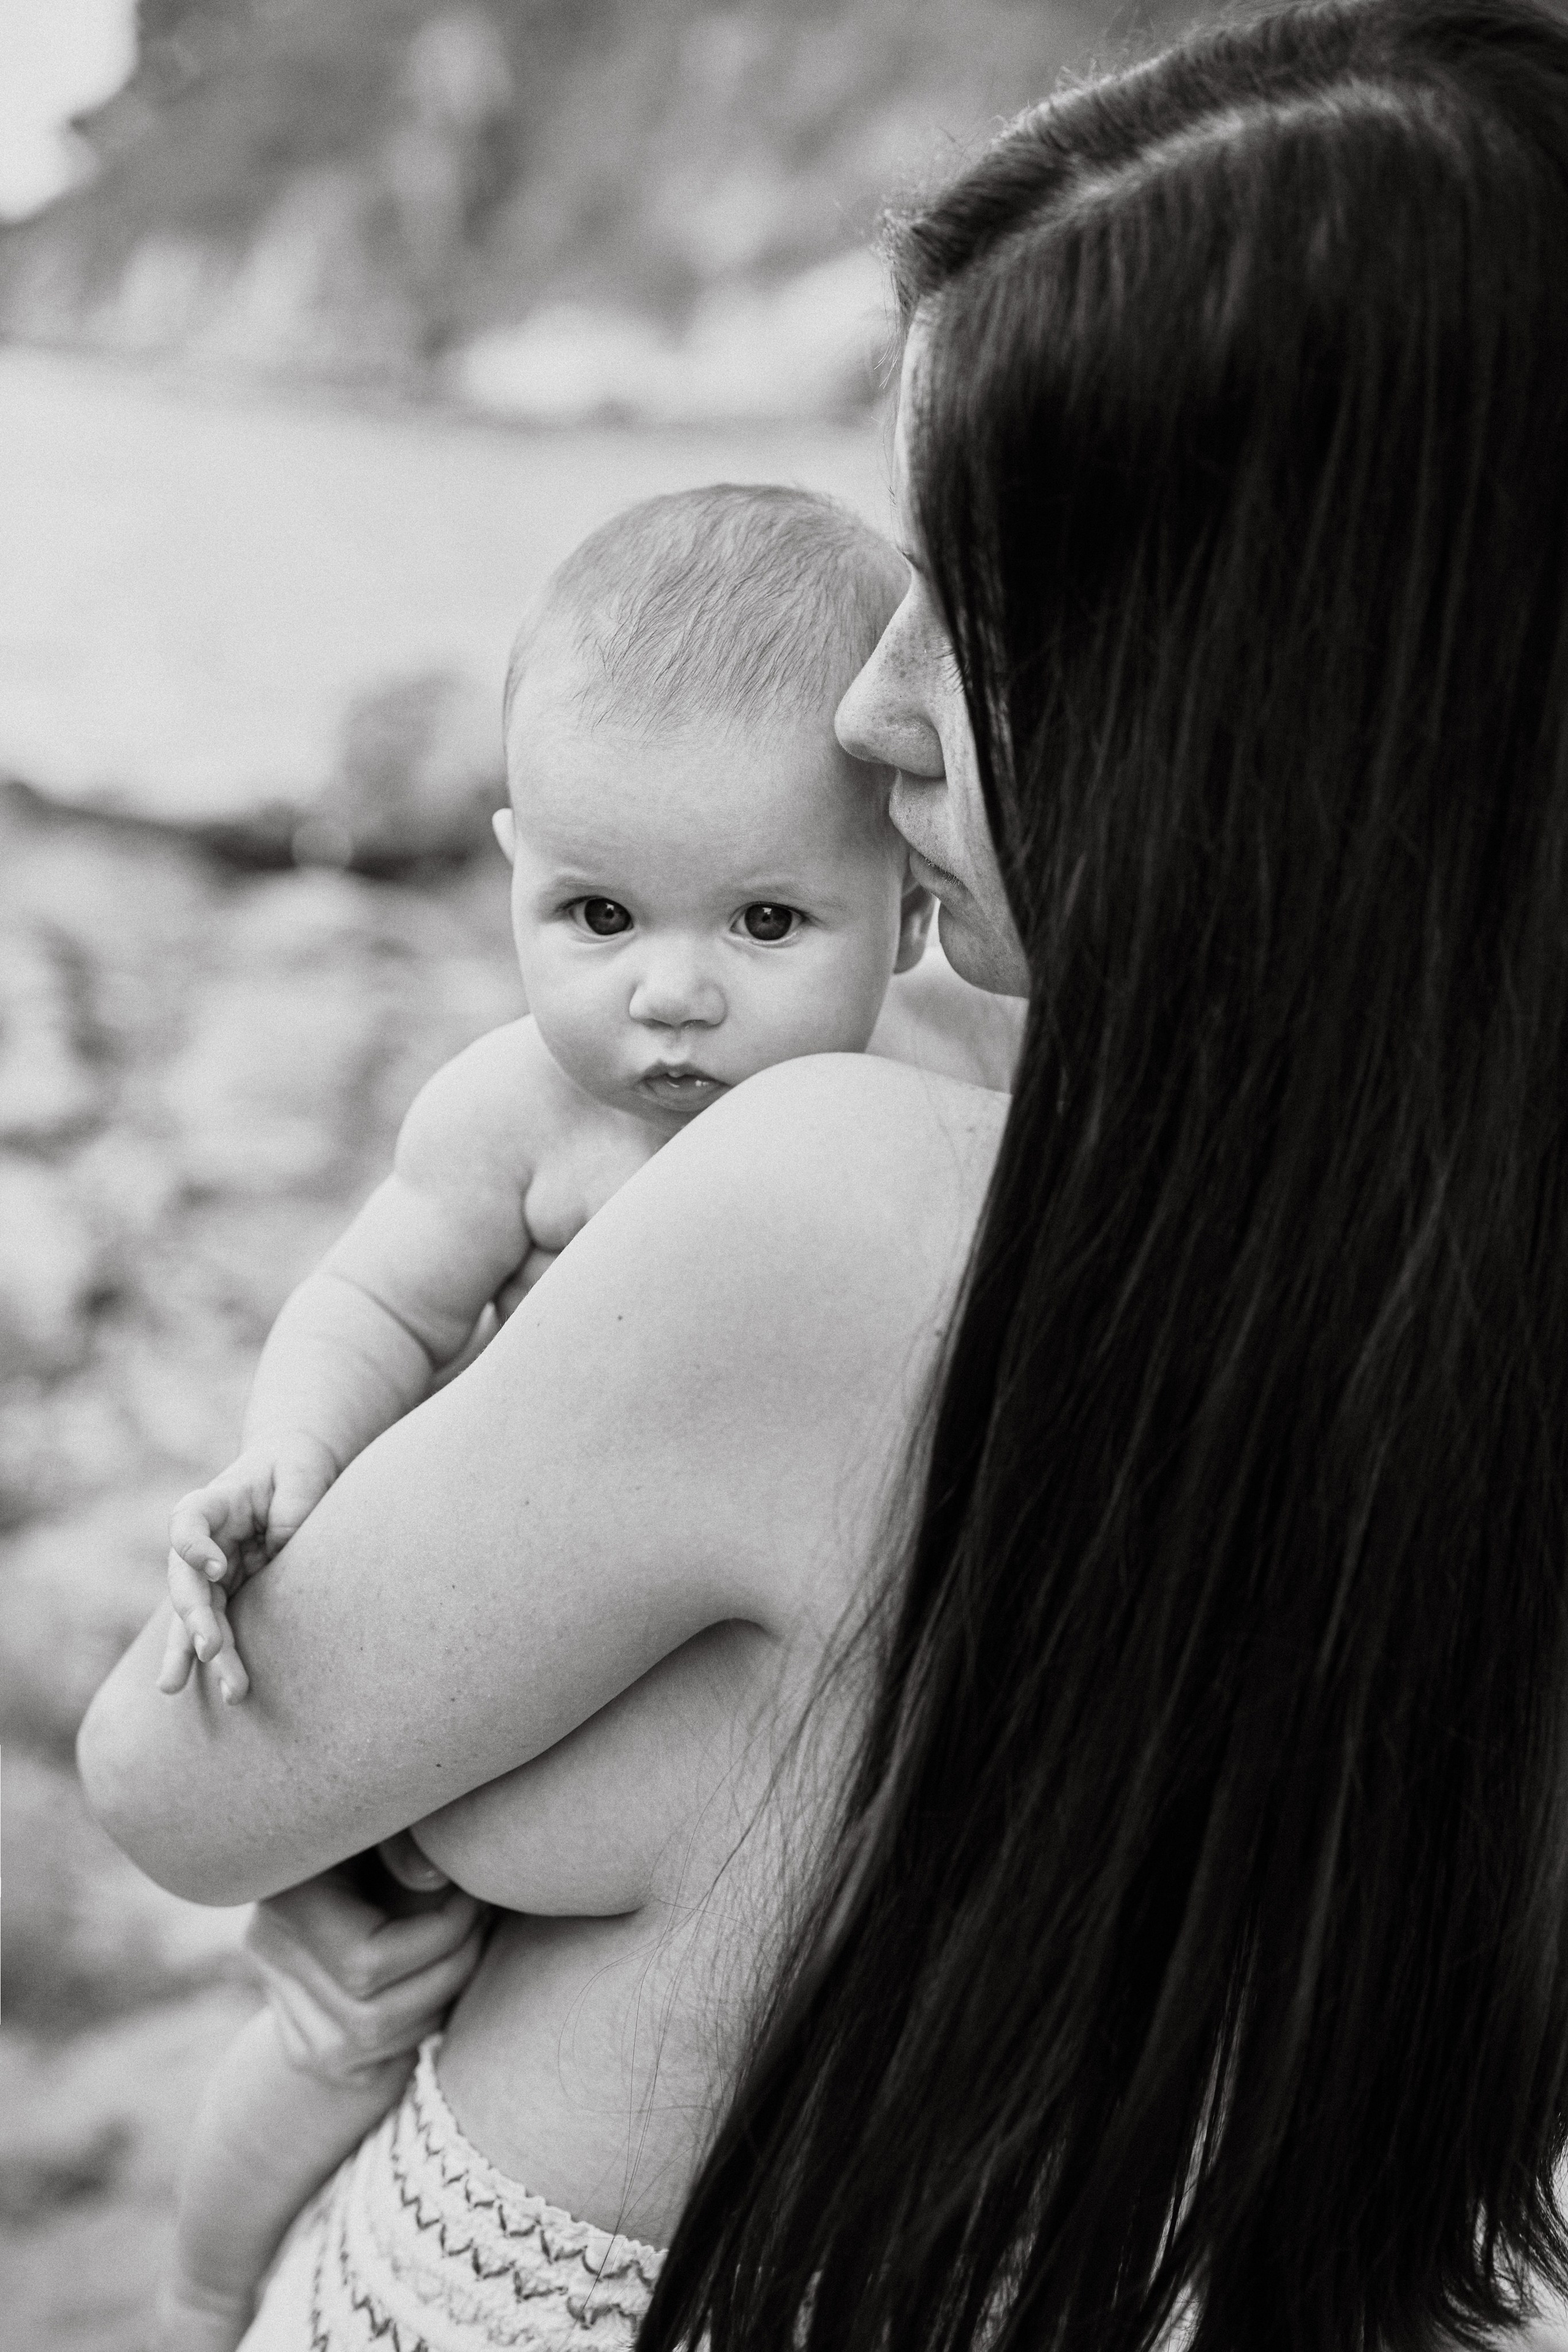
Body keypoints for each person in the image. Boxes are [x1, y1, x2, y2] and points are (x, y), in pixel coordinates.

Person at [78, 1, 1568, 2348]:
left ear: (1249, 695)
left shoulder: (840, 1208)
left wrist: (423, 1788)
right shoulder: (1428, 1335)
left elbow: (183, 1773)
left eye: (971, 602)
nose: (869, 713)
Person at [148, 481, 1022, 2349]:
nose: (671, 993)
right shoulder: (517, 1114)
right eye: (596, 913)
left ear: (908, 899)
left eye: (770, 918)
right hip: (477, 1635)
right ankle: (203, 2286)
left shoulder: (933, 1081)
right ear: (510, 863)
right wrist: (292, 1458)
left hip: (656, 1669)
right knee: (323, 2034)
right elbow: (373, 1301)